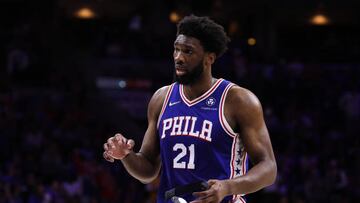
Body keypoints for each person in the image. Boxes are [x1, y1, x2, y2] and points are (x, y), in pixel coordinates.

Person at [103, 15, 277, 203]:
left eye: (188, 51)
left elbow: (268, 167)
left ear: (209, 58)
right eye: (176, 49)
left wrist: (228, 186)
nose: (178, 57)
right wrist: (126, 155)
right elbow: (149, 170)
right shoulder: (161, 99)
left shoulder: (238, 100)